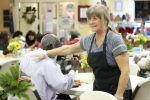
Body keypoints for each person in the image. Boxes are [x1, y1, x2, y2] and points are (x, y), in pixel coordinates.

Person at [31, 5, 131, 100]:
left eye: (95, 18)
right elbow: (68, 49)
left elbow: (125, 71)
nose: (91, 22)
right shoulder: (89, 40)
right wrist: (46, 53)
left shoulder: (114, 40)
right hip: (99, 89)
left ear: (105, 20)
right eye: (90, 19)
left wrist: (118, 96)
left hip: (118, 91)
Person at [20, 34, 79, 100]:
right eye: (58, 49)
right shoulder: (47, 63)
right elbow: (63, 87)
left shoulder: (26, 56)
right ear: (50, 46)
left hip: (26, 97)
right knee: (66, 97)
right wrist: (74, 67)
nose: (58, 53)